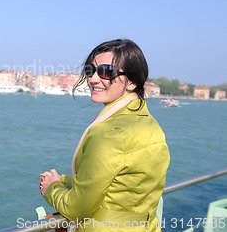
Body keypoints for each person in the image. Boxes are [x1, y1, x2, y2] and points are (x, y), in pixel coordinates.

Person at [39, 39, 170, 232]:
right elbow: (118, 186)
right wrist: (64, 181)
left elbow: (77, 208)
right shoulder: (149, 124)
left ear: (132, 81)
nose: (92, 79)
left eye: (106, 71)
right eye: (90, 70)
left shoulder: (108, 133)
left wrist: (52, 188)